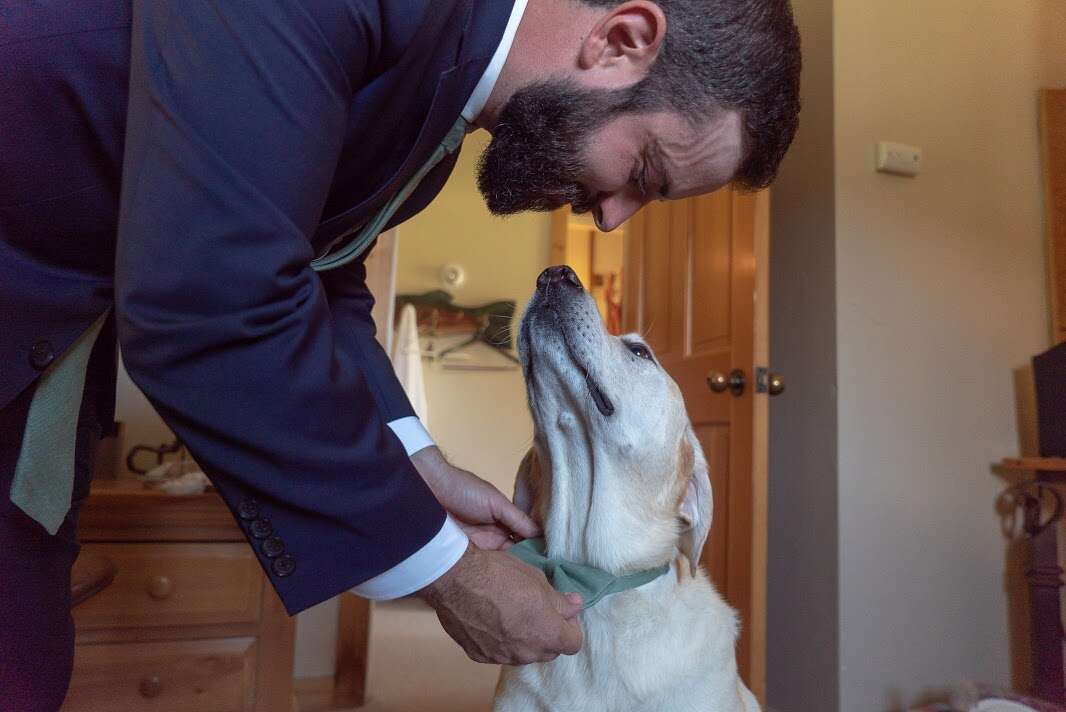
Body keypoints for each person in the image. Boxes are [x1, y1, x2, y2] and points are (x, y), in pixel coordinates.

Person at [0, 0, 801, 708]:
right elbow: (217, 297)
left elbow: (317, 271)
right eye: (645, 172)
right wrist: (447, 569)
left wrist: (409, 455)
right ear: (622, 40)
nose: (614, 220)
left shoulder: (443, 108)